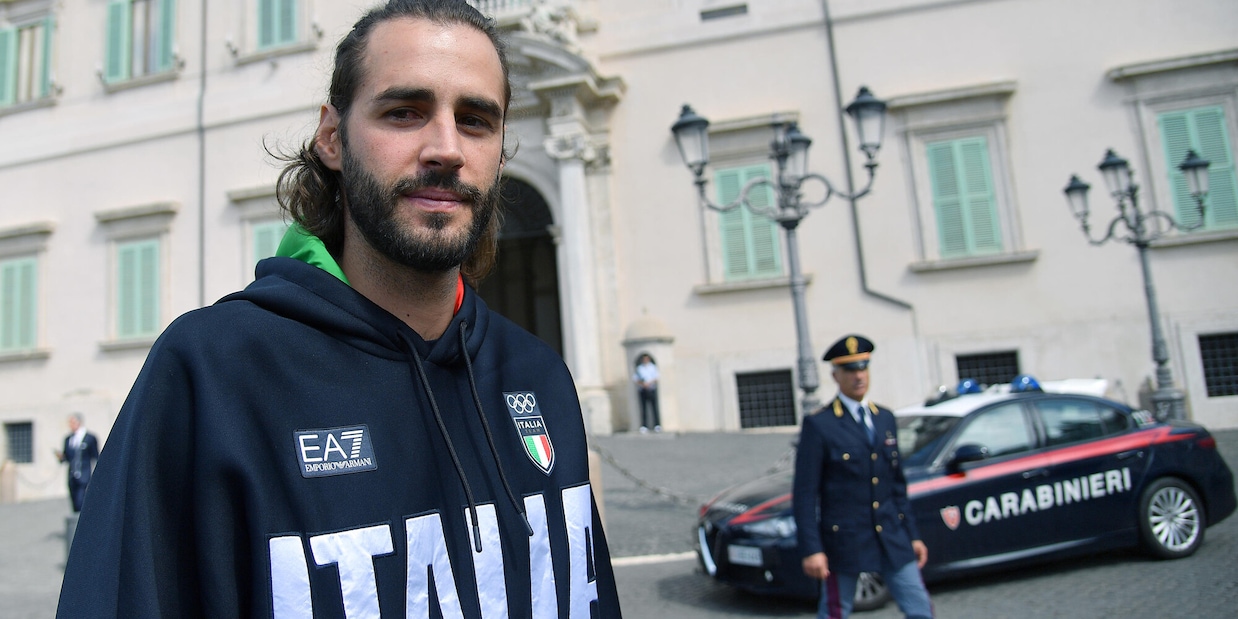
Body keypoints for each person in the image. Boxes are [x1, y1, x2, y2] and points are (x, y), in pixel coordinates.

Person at [57, 1, 621, 616]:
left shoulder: (539, 375)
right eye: (403, 113)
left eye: (476, 121)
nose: (446, 148)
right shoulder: (214, 374)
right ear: (331, 137)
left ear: (500, 151)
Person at [792, 335, 932, 619]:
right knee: (835, 611)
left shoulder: (884, 418)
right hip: (845, 540)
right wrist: (812, 549)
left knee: (920, 607)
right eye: (850, 370)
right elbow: (805, 494)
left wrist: (912, 535)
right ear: (835, 375)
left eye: (863, 368)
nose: (859, 377)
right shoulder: (820, 424)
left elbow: (896, 486)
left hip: (891, 534)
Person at [53, 413, 98, 513]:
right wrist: (61, 457)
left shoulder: (89, 438)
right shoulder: (68, 439)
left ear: (78, 422)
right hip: (72, 475)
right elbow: (66, 457)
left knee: (81, 500)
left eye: (72, 422)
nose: (70, 425)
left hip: (84, 474)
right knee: (74, 501)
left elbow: (95, 456)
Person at [631, 353, 661, 433]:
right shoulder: (639, 368)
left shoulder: (652, 367)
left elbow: (656, 377)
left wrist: (649, 383)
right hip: (643, 389)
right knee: (643, 408)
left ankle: (657, 424)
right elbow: (635, 379)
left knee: (654, 407)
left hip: (651, 389)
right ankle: (644, 425)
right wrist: (643, 384)